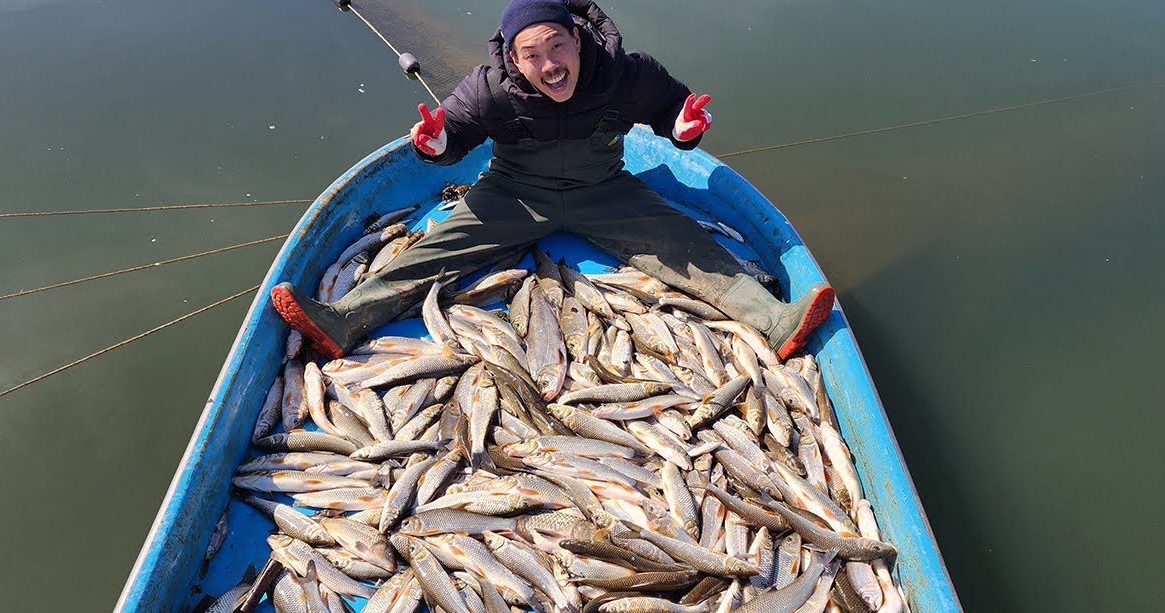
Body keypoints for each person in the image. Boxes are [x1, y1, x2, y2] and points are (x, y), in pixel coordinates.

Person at [272, 0, 833, 361]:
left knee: (693, 249)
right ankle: (343, 321)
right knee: (434, 250)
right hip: (515, 192)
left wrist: (685, 131)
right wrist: (438, 146)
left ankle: (776, 321)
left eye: (557, 46)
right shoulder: (490, 87)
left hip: (605, 191)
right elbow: (456, 136)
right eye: (532, 55)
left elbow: (672, 114)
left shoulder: (629, 73)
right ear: (515, 60)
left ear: (578, 39)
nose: (549, 65)